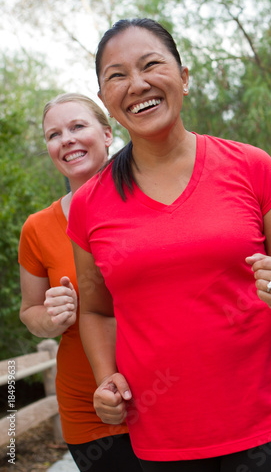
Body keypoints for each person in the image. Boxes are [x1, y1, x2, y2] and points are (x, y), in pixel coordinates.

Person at [67, 19, 271, 472]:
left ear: (184, 78)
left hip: (268, 428)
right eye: (117, 75)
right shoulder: (89, 204)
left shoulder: (252, 167)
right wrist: (107, 379)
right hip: (163, 440)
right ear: (105, 99)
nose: (137, 84)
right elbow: (96, 310)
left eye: (151, 65)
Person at [18, 93, 142, 472]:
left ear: (107, 134)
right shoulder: (37, 228)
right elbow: (30, 312)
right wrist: (52, 317)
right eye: (54, 134)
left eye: (77, 126)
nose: (66, 139)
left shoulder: (152, 202)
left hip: (163, 390)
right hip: (90, 404)